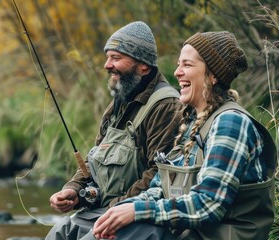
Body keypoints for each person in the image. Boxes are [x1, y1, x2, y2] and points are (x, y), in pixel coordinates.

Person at [88, 31, 277, 240]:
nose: (177, 72)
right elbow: (159, 188)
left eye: (187, 65)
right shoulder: (193, 121)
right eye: (178, 64)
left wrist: (137, 213)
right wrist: (122, 210)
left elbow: (208, 204)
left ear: (213, 75)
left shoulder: (231, 123)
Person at [45, 21, 183, 239]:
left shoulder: (165, 106)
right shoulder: (117, 105)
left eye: (116, 58)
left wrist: (118, 209)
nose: (107, 65)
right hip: (105, 210)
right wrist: (73, 191)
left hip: (139, 215)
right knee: (60, 232)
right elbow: (93, 159)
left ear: (143, 65)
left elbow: (159, 174)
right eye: (108, 57)